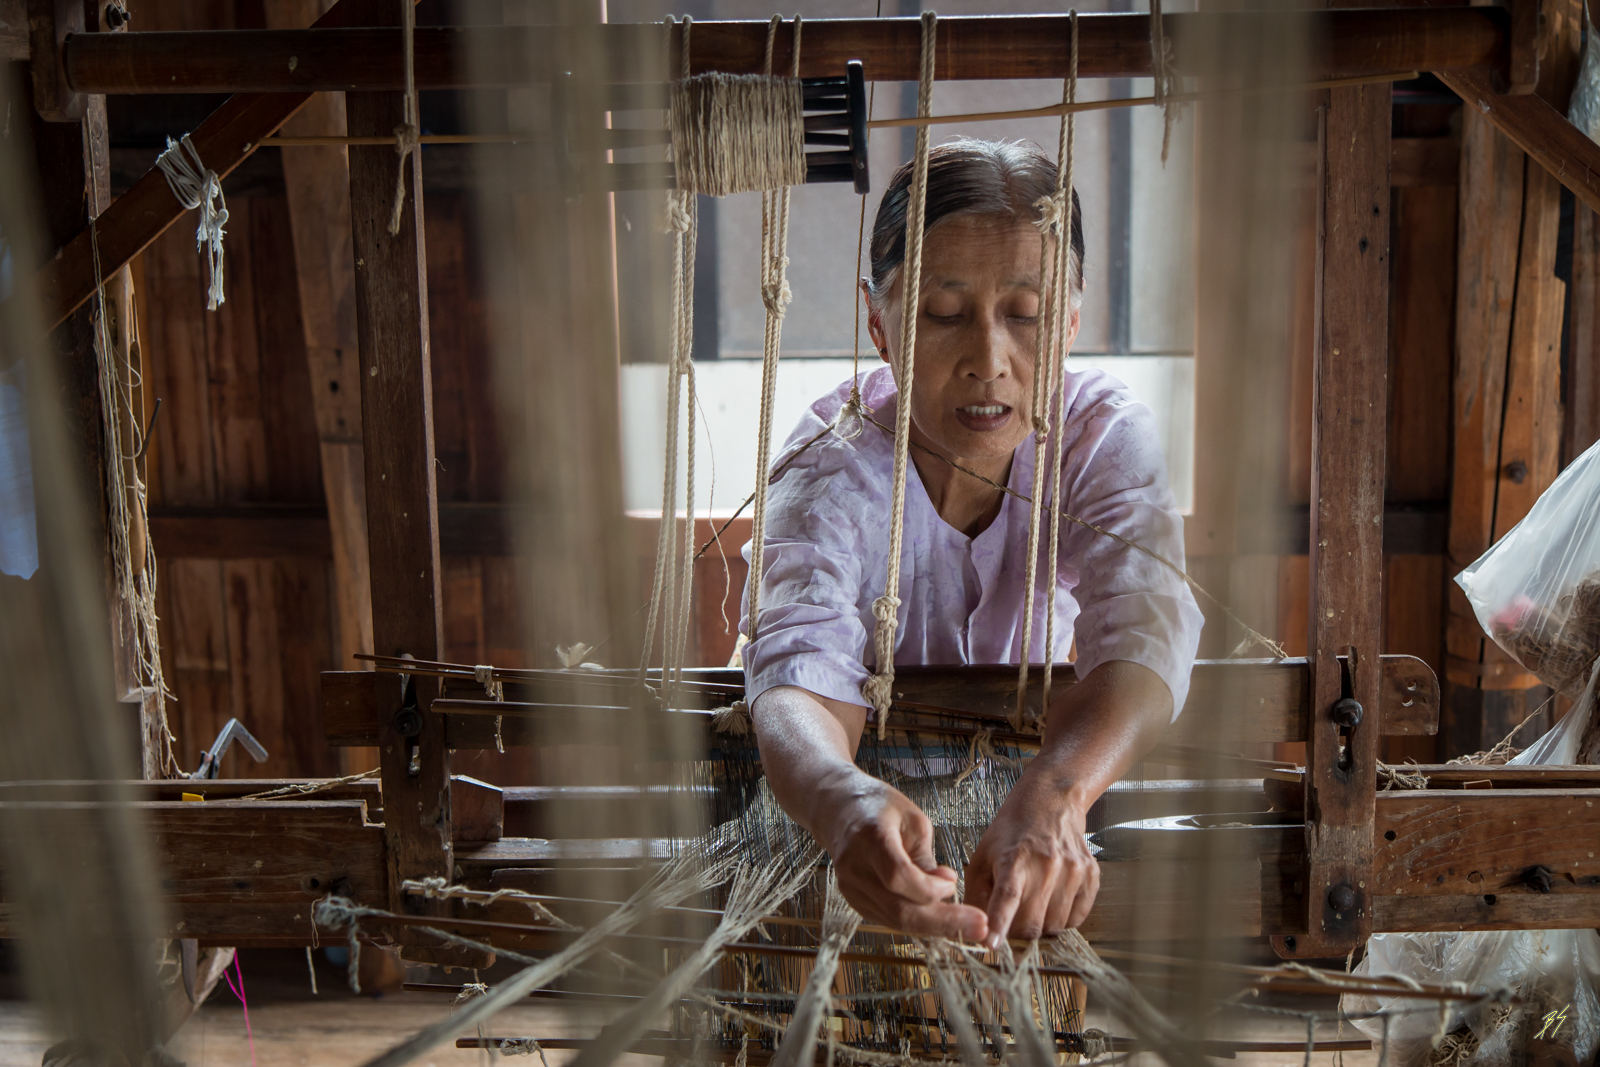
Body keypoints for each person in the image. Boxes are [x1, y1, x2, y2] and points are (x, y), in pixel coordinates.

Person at [739, 139, 1203, 951]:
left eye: (1025, 316)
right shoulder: (830, 462)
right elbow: (796, 667)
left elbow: (1146, 627)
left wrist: (1057, 790)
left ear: (1069, 320)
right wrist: (842, 801)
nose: (989, 361)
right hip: (846, 827)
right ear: (878, 324)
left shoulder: (1097, 436)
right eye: (944, 314)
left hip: (1034, 797)